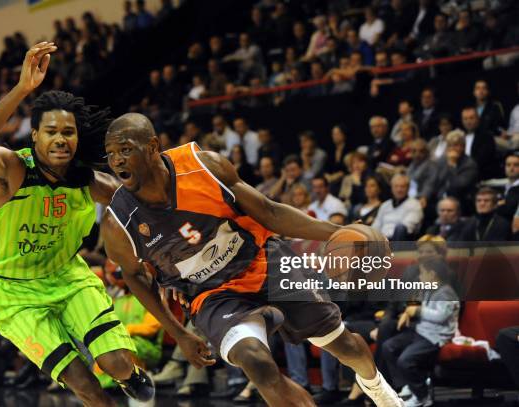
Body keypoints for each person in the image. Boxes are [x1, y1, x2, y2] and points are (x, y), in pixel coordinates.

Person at [102, 113, 404, 407]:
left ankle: (376, 386)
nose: (117, 161)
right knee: (256, 362)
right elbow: (134, 277)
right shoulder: (118, 224)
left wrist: (342, 231)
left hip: (263, 261)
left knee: (343, 345)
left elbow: (270, 212)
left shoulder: (204, 167)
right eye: (111, 153)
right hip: (212, 295)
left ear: (153, 147)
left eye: (125, 150)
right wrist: (178, 333)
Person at [0, 43, 153, 405]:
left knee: (117, 364)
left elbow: (145, 207)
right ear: (35, 136)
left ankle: (131, 374)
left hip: (66, 277)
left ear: (77, 139)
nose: (61, 139)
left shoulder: (91, 182)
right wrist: (21, 90)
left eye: (69, 132)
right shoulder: (12, 171)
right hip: (12, 294)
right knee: (85, 385)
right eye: (51, 131)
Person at [382, 258, 460, 407]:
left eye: (422, 273)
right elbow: (415, 300)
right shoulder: (426, 287)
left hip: (436, 336)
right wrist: (407, 312)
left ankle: (422, 396)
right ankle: (407, 384)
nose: (419, 276)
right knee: (388, 347)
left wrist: (418, 310)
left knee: (405, 361)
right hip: (420, 331)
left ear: (432, 274)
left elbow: (441, 316)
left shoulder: (446, 293)